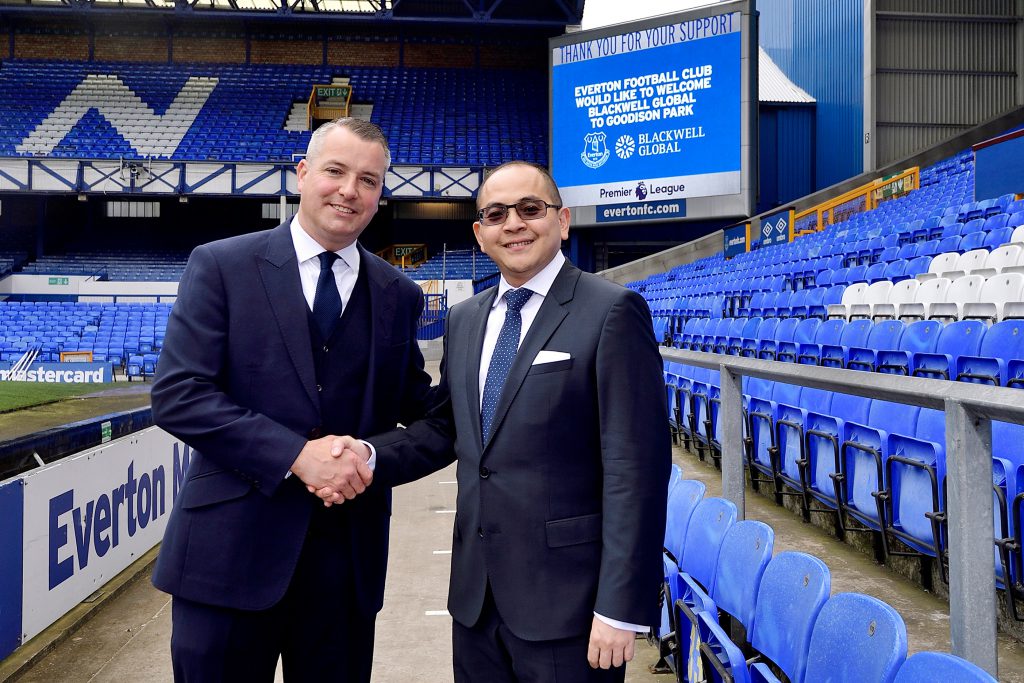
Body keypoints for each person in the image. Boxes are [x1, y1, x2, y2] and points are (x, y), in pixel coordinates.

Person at [320, 161, 671, 682]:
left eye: (531, 209)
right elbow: (450, 430)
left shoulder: (613, 311)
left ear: (563, 221)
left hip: (569, 606)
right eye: (497, 214)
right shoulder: (466, 319)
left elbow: (635, 469)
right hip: (476, 600)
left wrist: (620, 607)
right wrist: (367, 457)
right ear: (480, 234)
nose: (515, 223)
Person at [150, 117, 433, 682]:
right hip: (225, 559)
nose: (350, 190)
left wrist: (372, 461)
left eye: (369, 180)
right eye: (335, 171)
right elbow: (179, 394)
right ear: (302, 174)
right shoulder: (221, 264)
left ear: (380, 196)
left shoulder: (399, 294)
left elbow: (427, 416)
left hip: (344, 567)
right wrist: (294, 455)